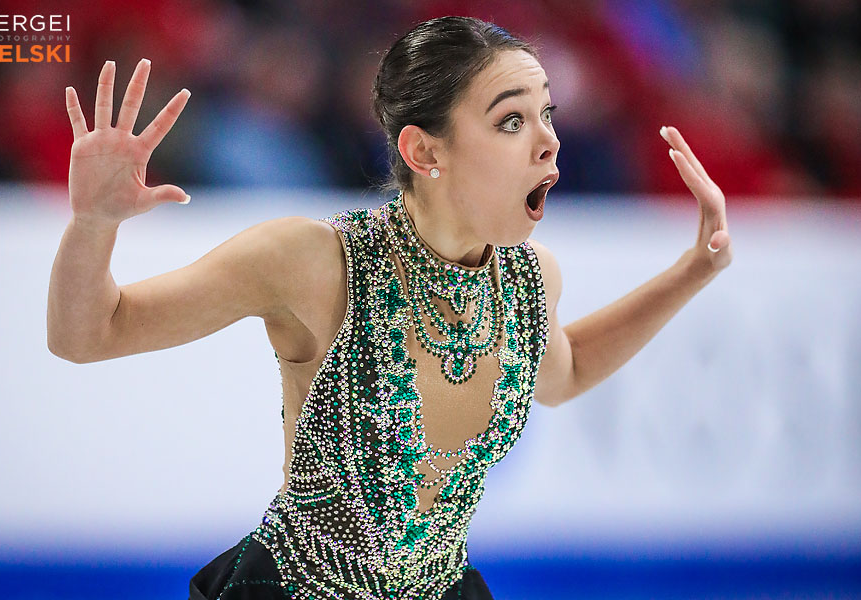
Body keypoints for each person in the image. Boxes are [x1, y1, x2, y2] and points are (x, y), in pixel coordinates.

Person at [47, 16, 732, 600]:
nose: (550, 140)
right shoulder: (313, 262)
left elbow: (569, 368)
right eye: (512, 120)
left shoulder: (528, 281)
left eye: (547, 113)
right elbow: (89, 335)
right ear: (424, 149)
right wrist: (93, 224)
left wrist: (693, 270)